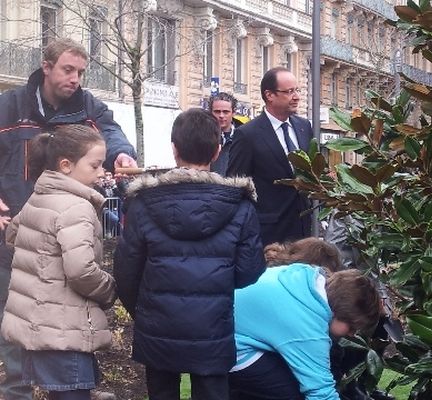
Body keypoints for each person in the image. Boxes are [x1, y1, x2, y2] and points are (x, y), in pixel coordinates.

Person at [0, 37, 136, 400]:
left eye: (80, 72)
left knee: (66, 333)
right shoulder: (9, 107)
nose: (76, 79)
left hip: (64, 243)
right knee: (16, 331)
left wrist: (121, 155)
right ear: (46, 67)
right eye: (68, 70)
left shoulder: (88, 106)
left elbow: (110, 131)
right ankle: (17, 392)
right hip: (18, 241)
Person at [113, 108, 266, 400]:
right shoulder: (240, 205)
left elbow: (126, 270)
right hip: (213, 327)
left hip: (157, 325)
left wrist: (143, 311)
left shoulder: (143, 202)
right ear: (217, 151)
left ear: (174, 149)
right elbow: (249, 271)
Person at [0, 125, 116, 400]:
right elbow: (81, 271)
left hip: (43, 328)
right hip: (67, 330)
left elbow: (14, 236)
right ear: (66, 165)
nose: (102, 172)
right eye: (95, 165)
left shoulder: (40, 196)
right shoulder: (76, 206)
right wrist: (110, 288)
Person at [229, 246, 381, 400]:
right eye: (352, 327)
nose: (352, 334)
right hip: (232, 348)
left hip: (223, 328)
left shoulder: (307, 277)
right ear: (342, 312)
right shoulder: (308, 329)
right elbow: (321, 393)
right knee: (294, 394)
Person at [227, 67, 313, 246]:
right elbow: (236, 186)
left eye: (297, 90)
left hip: (303, 230)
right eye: (289, 92)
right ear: (269, 95)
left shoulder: (304, 127)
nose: (296, 96)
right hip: (268, 235)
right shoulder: (248, 135)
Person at [209, 92, 241, 175]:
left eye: (226, 112)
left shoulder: (244, 137)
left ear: (233, 113)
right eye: (217, 111)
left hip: (236, 186)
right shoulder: (203, 136)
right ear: (210, 112)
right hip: (211, 185)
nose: (221, 115)